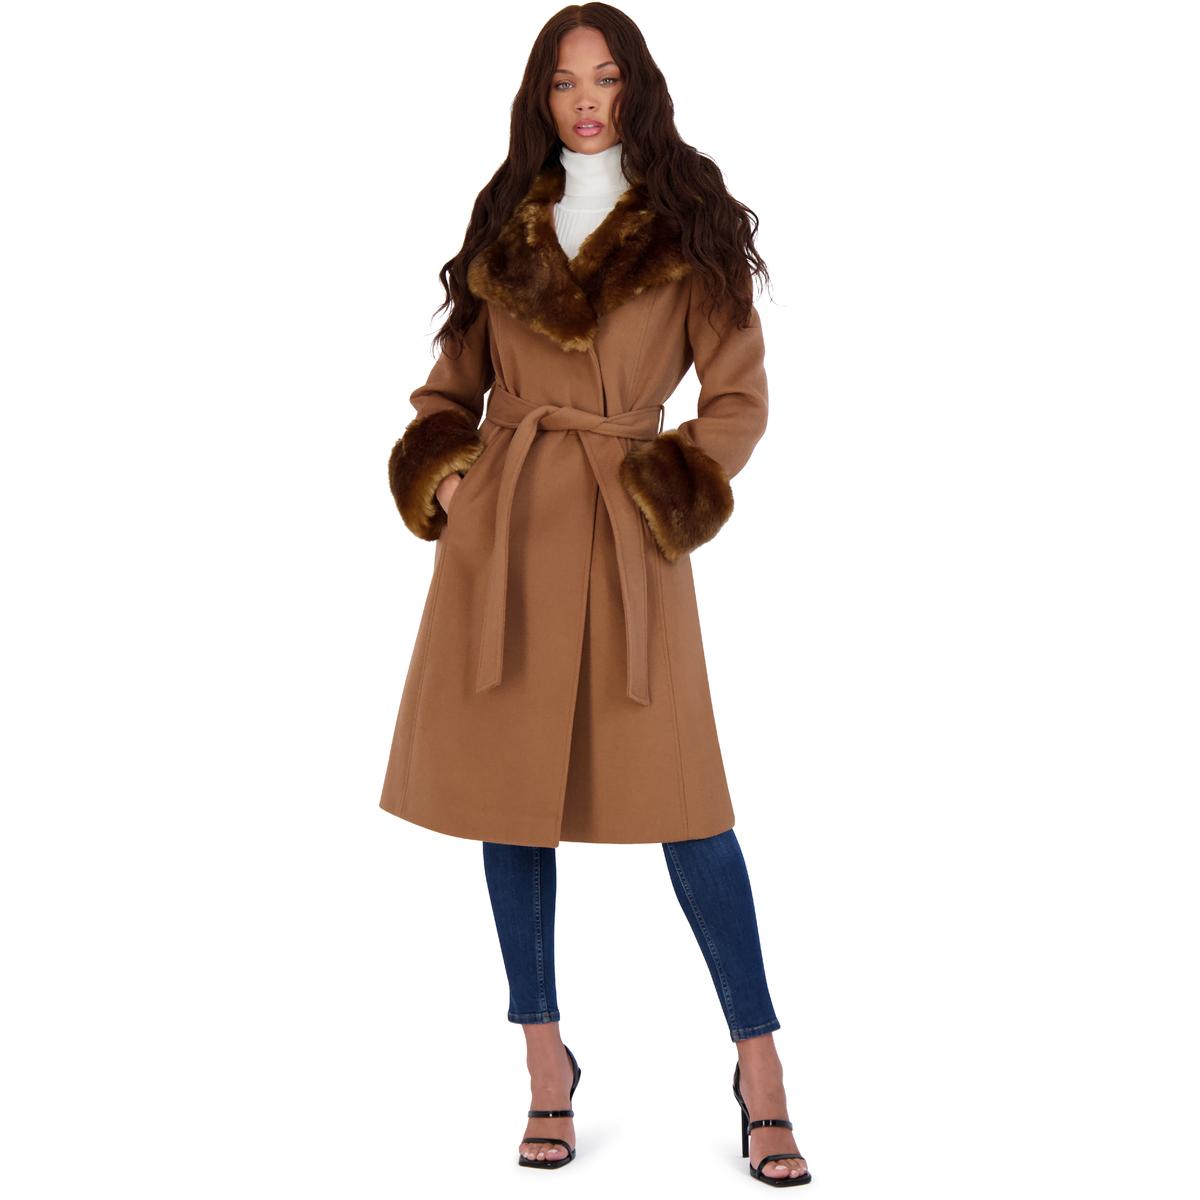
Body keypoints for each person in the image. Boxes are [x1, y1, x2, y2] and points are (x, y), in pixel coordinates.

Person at [381, 5, 810, 1185]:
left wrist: (661, 491)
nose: (584, 100)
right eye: (564, 81)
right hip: (509, 543)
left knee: (691, 811)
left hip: (628, 543)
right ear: (541, 95)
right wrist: (453, 482)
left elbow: (737, 400)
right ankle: (544, 1063)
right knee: (508, 801)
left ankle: (761, 1065)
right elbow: (448, 390)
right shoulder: (504, 219)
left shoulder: (689, 224)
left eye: (604, 78)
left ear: (636, 89)